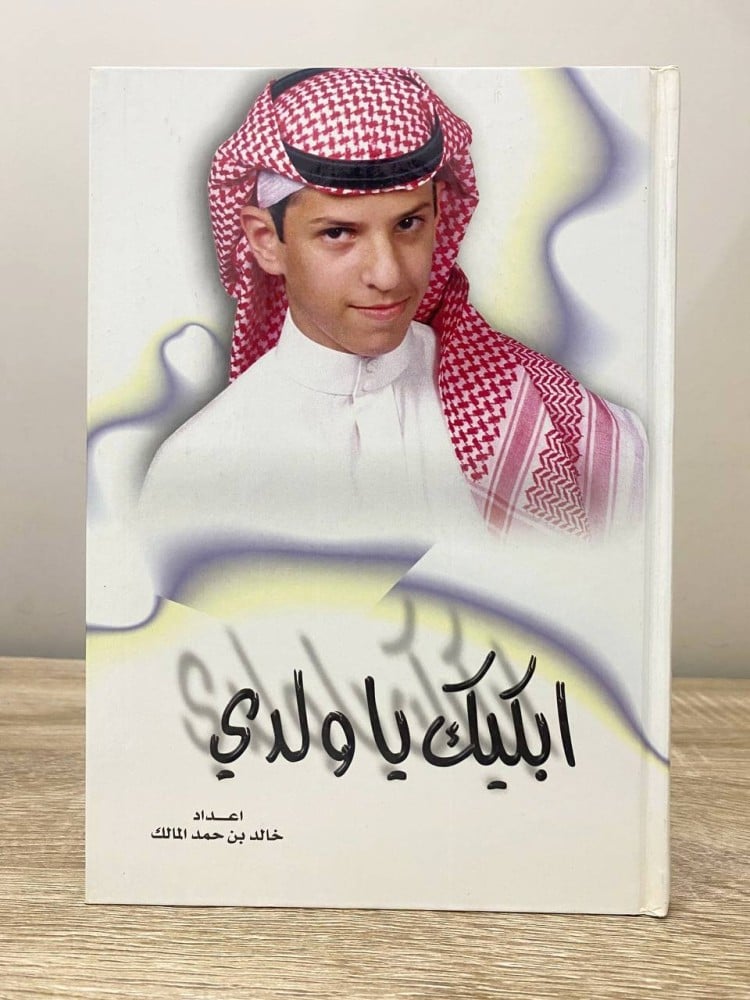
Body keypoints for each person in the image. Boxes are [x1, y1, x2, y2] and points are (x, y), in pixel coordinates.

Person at [139, 67, 646, 586]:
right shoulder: (197, 471)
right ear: (267, 242)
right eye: (339, 233)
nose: (388, 275)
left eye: (408, 224)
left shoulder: (553, 416)